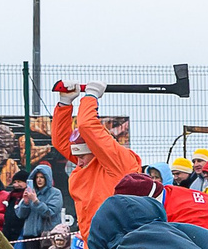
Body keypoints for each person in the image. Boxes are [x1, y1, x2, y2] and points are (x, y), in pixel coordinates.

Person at [49, 83, 144, 233]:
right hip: (94, 248)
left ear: (96, 148)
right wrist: (65, 103)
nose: (78, 162)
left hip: (119, 247)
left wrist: (91, 96)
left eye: (82, 156)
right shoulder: (89, 164)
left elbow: (86, 125)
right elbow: (60, 142)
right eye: (77, 156)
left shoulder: (119, 164)